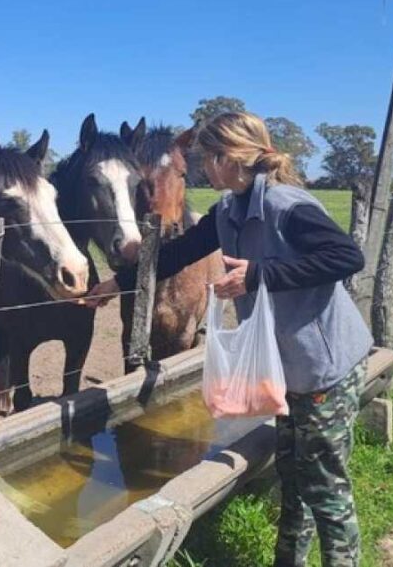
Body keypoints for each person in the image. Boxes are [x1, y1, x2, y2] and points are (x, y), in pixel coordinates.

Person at [86, 111, 372, 567]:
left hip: (324, 365)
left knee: (324, 485)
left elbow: (346, 256)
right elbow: (175, 254)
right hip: (288, 363)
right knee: (293, 477)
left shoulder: (287, 206)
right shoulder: (228, 212)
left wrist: (260, 274)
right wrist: (114, 284)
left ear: (229, 158)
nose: (201, 169)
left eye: (206, 159)